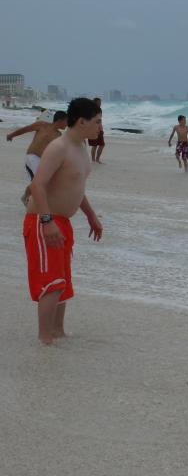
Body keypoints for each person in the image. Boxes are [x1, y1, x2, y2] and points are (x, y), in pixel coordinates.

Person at [24, 97, 103, 345]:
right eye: (97, 121)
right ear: (81, 122)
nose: (100, 127)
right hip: (43, 220)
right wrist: (47, 221)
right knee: (51, 282)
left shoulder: (80, 148)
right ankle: (45, 338)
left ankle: (58, 331)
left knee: (63, 280)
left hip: (62, 221)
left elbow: (74, 187)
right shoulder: (59, 147)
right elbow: (37, 185)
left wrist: (91, 215)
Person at [6, 110, 68, 205]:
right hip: (32, 156)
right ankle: (40, 203)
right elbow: (25, 129)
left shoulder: (59, 135)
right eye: (66, 121)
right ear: (60, 120)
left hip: (43, 161)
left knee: (37, 181)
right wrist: (11, 135)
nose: (67, 124)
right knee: (42, 181)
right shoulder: (42, 125)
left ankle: (26, 196)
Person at [88, 97, 106, 163]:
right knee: (94, 145)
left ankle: (97, 159)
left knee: (102, 144)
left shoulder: (100, 110)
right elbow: (91, 120)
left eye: (100, 102)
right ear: (95, 103)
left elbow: (100, 120)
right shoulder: (91, 110)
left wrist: (101, 129)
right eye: (98, 102)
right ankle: (93, 160)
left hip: (100, 129)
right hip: (93, 130)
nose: (100, 104)